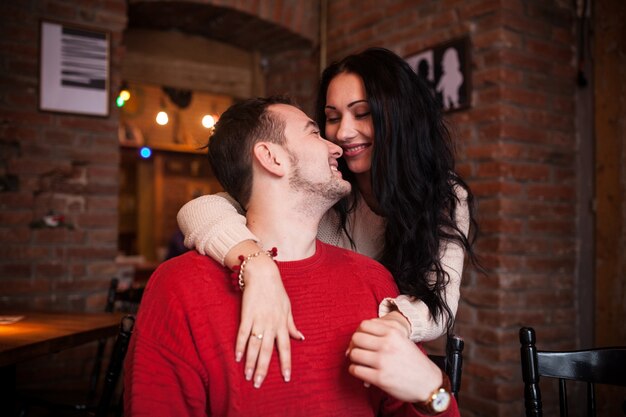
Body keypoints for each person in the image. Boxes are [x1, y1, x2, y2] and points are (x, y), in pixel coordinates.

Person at [124, 96, 459, 416]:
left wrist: (433, 391)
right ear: (272, 157)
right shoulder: (179, 288)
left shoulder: (372, 280)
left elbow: (431, 403)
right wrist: (257, 265)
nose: (336, 146)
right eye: (315, 132)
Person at [177, 47, 479, 386]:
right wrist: (257, 264)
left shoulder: (443, 197)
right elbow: (201, 209)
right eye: (332, 119)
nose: (342, 134)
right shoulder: (325, 183)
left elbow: (439, 302)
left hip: (375, 357)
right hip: (307, 344)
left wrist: (393, 325)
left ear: (398, 116)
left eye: (362, 113)